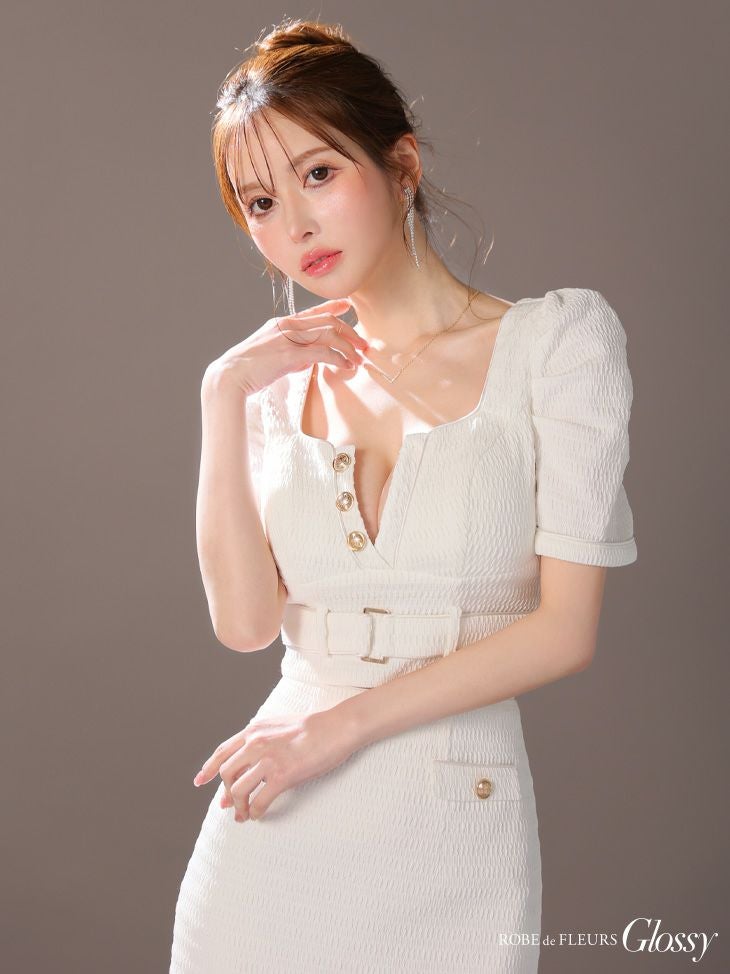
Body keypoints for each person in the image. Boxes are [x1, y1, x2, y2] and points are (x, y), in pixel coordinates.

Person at [169, 18, 638, 974]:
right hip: (270, 828)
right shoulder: (269, 388)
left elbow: (564, 632)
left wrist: (335, 731)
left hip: (451, 817)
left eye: (318, 174)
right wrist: (222, 395)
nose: (294, 227)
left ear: (402, 165)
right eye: (260, 202)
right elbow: (246, 626)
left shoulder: (556, 347)